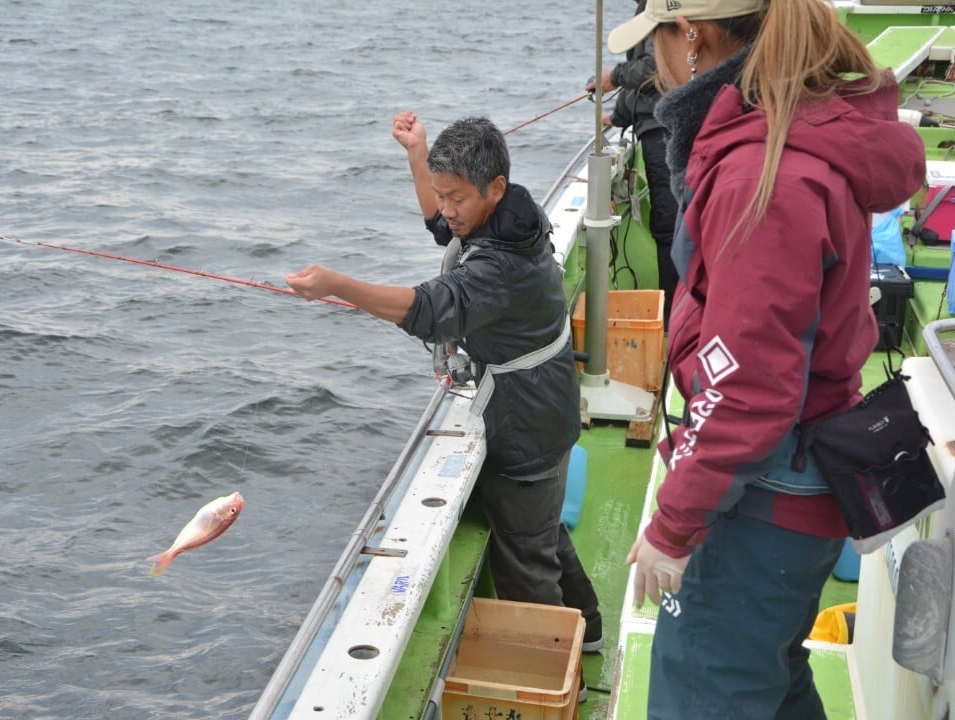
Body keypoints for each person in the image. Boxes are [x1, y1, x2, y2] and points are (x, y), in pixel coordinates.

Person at [607, 1, 926, 718]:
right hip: (796, 477)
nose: (650, 62)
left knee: (707, 689)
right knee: (769, 676)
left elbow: (747, 382)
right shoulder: (785, 139)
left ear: (691, 35)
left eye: (654, 38)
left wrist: (674, 526)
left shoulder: (761, 173)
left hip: (764, 492)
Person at [286, 112, 604, 671]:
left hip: (527, 422)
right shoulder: (508, 213)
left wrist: (337, 285)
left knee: (526, 558)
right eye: (442, 194)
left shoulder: (501, 266)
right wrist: (418, 151)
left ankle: (552, 671)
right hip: (546, 404)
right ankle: (591, 631)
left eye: (456, 197)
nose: (447, 210)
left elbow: (430, 311)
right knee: (542, 530)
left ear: (493, 187)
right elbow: (441, 224)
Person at [587, 0, 679, 326]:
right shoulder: (647, 8)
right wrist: (618, 115)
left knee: (671, 229)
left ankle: (675, 322)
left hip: (665, 132)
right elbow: (644, 80)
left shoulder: (660, 8)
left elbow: (657, 67)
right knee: (669, 227)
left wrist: (614, 76)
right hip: (655, 128)